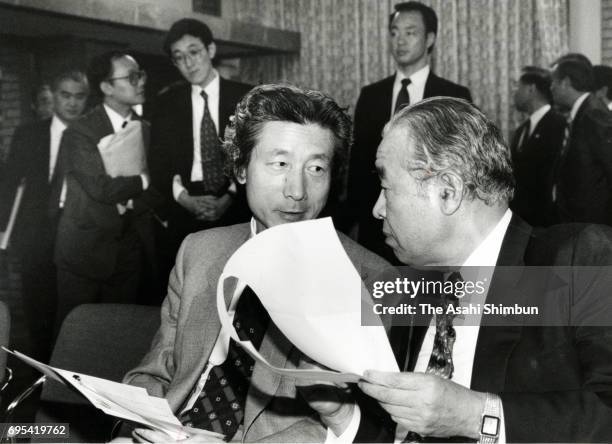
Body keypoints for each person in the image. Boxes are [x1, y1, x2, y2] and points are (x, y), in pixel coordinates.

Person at [120, 84, 391, 443]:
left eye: (316, 168)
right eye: (280, 164)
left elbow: (356, 424)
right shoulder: (198, 251)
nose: (297, 190)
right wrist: (146, 425)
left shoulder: (371, 279)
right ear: (242, 169)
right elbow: (154, 373)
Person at [343, 96, 612, 442]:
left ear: (448, 192)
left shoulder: (579, 259)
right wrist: (343, 419)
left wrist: (475, 416)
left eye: (386, 186)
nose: (377, 209)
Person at [345, 0, 472, 260]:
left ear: (430, 39)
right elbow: (357, 166)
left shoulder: (453, 96)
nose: (399, 40)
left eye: (410, 32)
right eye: (394, 32)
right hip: (375, 228)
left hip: (433, 232)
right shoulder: (370, 96)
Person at [54, 51, 162, 332]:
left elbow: (160, 186)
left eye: (141, 75)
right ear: (106, 87)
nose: (140, 82)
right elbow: (100, 188)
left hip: (130, 253)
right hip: (83, 255)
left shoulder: (149, 130)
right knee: (74, 339)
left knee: (118, 341)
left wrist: (135, 199)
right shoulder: (80, 132)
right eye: (131, 77)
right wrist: (142, 180)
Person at [0, 70, 88, 360]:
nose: (72, 103)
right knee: (38, 313)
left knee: (72, 317)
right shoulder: (29, 134)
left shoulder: (93, 134)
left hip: (78, 239)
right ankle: (40, 375)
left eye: (79, 96)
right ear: (53, 94)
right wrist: (5, 231)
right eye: (65, 95)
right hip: (35, 239)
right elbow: (9, 183)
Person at [149, 18, 252, 261]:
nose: (188, 63)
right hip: (186, 206)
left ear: (211, 50)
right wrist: (184, 199)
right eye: (179, 57)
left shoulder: (246, 97)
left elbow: (254, 155)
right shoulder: (165, 103)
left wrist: (230, 196)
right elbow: (157, 162)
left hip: (236, 203)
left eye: (194, 52)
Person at [550, 55, 612, 225]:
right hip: (579, 220)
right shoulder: (582, 113)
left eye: (553, 82)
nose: (551, 87)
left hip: (593, 224)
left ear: (566, 82)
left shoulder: (593, 114)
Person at [510, 66, 565, 227]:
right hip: (523, 220)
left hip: (548, 221)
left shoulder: (558, 124)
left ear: (531, 89)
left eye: (517, 87)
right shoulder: (522, 130)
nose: (514, 93)